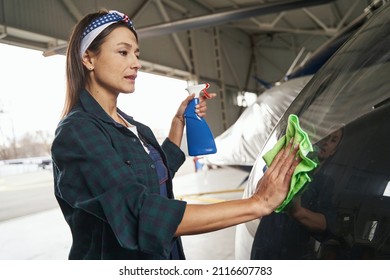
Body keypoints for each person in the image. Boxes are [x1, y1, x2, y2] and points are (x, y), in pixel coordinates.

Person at [51, 9, 300, 260]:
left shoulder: (132, 126)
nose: (136, 63)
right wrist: (257, 203)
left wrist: (178, 122)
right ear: (88, 59)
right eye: (123, 52)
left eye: (137, 54)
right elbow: (140, 213)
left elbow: (153, 177)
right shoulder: (77, 133)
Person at [251, 127, 344, 259]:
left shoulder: (327, 182)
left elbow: (325, 223)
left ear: (333, 151)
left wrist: (299, 212)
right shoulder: (291, 161)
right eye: (326, 136)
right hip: (265, 244)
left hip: (294, 251)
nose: (327, 142)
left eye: (333, 140)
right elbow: (260, 191)